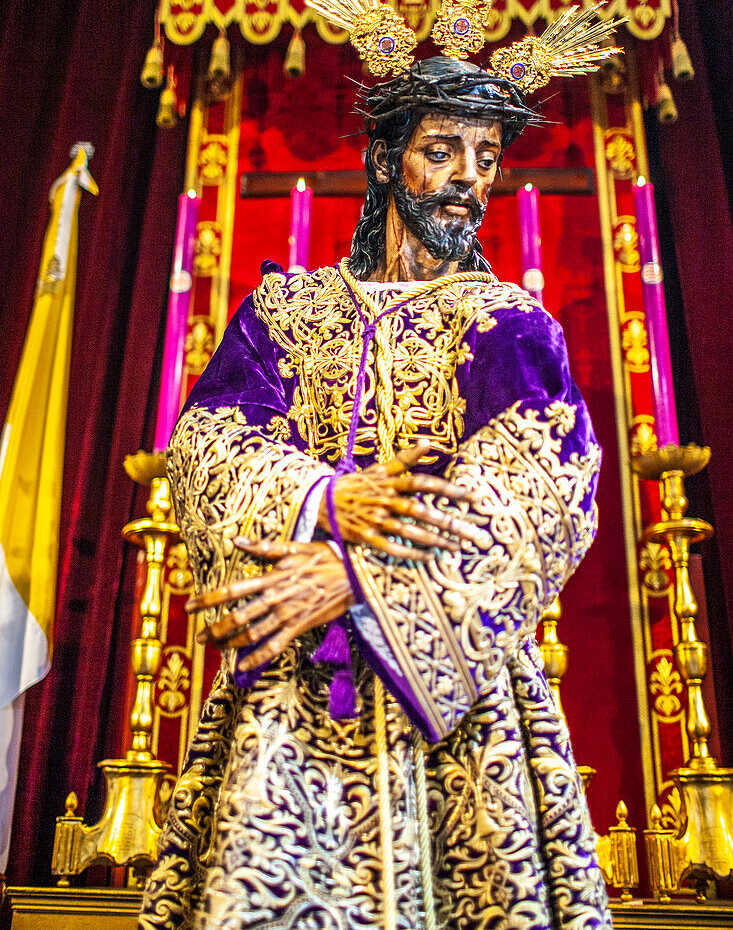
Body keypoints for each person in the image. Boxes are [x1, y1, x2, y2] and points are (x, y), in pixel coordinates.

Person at [138, 54, 610, 930]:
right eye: (443, 150)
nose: (468, 179)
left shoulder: (509, 324)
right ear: (389, 161)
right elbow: (206, 442)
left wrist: (359, 578)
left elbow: (539, 484)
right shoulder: (286, 312)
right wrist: (321, 501)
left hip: (456, 688)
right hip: (296, 677)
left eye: (486, 155)